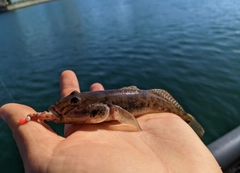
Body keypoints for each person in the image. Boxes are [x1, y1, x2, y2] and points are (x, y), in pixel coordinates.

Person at [0, 70, 222, 173]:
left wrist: (134, 124)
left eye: (75, 101)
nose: (70, 105)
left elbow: (124, 117)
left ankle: (189, 121)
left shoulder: (112, 109)